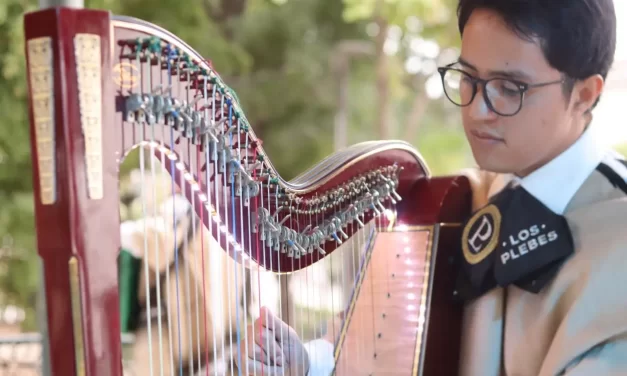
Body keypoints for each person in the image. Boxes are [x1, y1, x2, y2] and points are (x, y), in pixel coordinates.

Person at [236, 0, 627, 375]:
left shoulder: (617, 238)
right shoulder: (458, 198)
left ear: (584, 95)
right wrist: (307, 363)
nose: (476, 110)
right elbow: (382, 344)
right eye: (469, 78)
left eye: (510, 88)